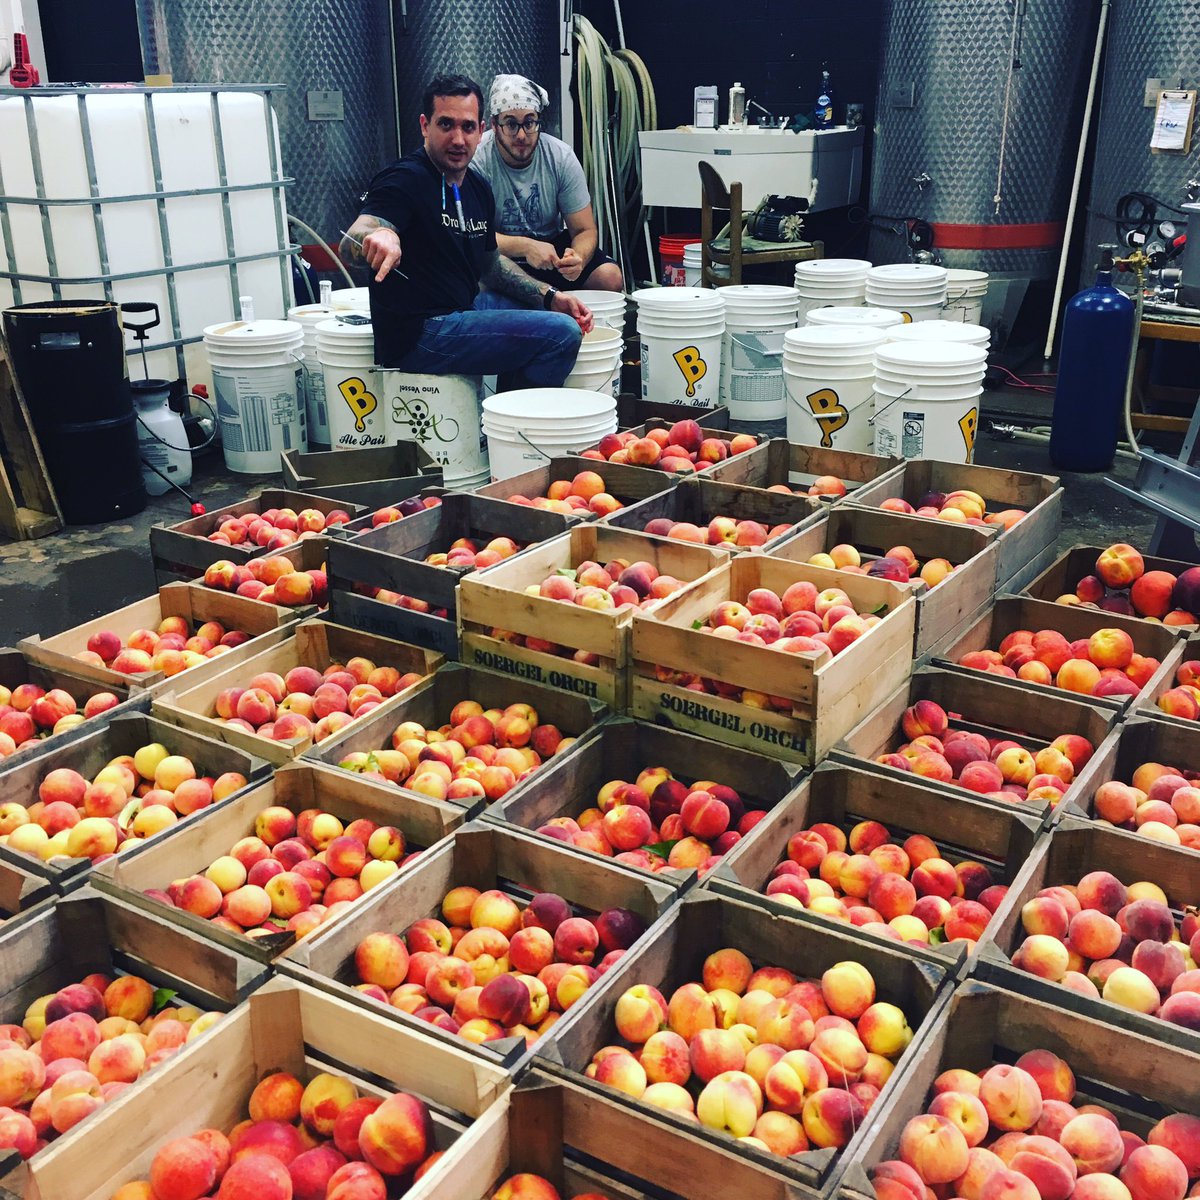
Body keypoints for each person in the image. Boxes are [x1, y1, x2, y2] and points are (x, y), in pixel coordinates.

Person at [339, 73, 592, 391]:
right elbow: (355, 236)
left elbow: (490, 267)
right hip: (422, 332)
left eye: (467, 127)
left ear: (481, 130)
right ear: (424, 126)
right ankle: (513, 429)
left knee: (555, 317)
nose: (458, 139)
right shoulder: (405, 179)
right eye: (446, 125)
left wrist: (549, 296)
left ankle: (504, 418)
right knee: (560, 334)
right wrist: (378, 237)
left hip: (463, 309)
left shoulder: (477, 188)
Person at [472, 74, 623, 293]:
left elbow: (585, 229)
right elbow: (474, 235)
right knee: (473, 287)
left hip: (550, 250)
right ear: (495, 125)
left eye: (529, 122)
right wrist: (526, 247)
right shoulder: (478, 159)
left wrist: (577, 257)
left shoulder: (560, 157)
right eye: (511, 124)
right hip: (498, 254)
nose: (522, 135)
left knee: (609, 278)